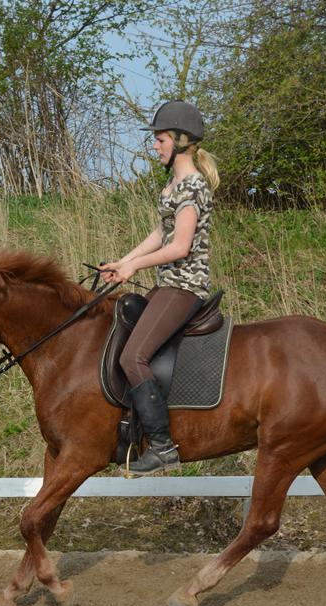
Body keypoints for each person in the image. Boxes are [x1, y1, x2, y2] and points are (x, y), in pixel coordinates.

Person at [100, 100, 220, 476]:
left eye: (160, 139)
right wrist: (123, 262)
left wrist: (135, 265)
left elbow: (180, 246)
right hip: (165, 284)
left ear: (181, 141)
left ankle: (163, 447)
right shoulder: (173, 185)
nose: (155, 146)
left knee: (132, 356)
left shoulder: (194, 186)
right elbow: (160, 234)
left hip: (184, 287)